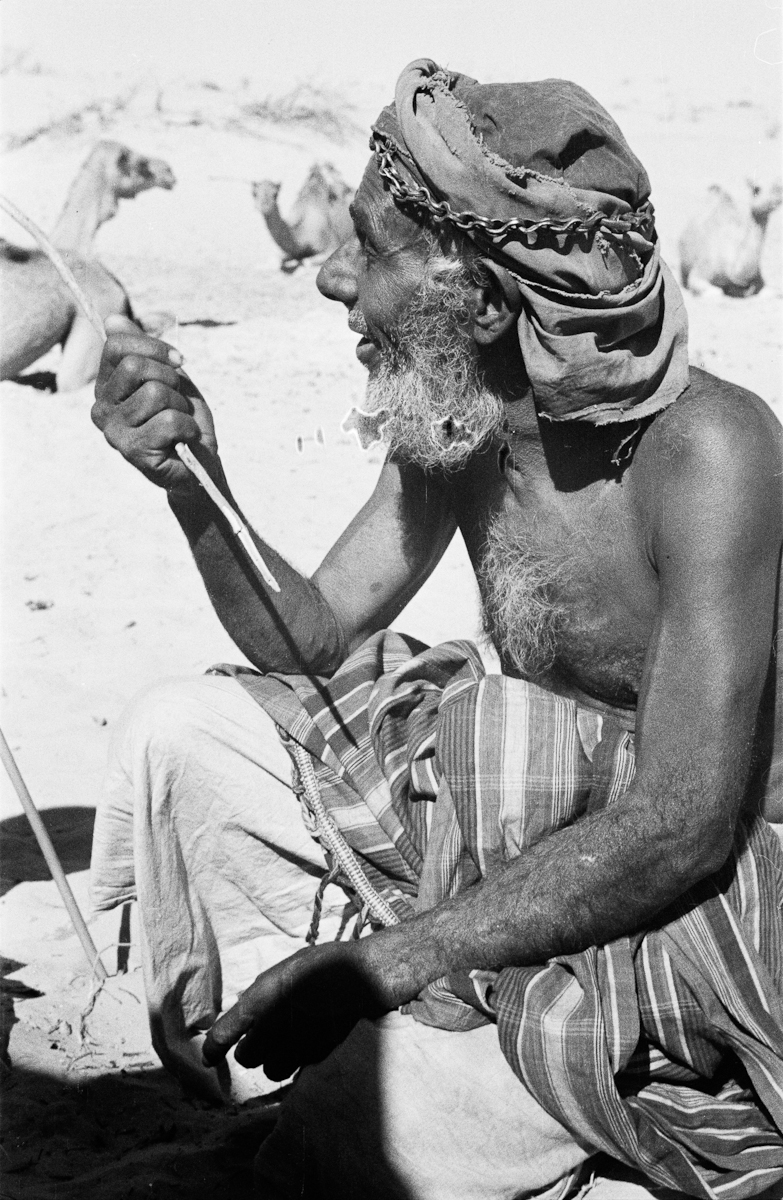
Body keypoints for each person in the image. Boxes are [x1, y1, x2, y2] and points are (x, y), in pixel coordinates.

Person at [90, 59, 783, 1199]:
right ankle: (295, 1038)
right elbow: (308, 638)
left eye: (369, 247)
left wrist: (396, 960)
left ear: (483, 292)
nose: (329, 278)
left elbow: (683, 825)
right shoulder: (456, 425)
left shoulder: (709, 453)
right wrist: (191, 483)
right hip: (507, 846)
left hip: (675, 898)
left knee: (377, 1126)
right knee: (184, 735)